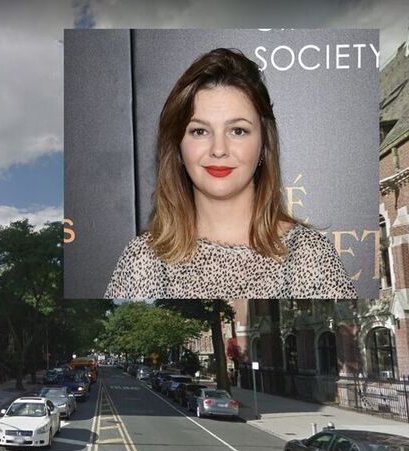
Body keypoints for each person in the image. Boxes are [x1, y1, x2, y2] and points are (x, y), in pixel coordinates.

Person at [105, 48, 357, 300]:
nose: (218, 149)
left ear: (263, 145)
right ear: (178, 147)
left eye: (237, 131)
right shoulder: (143, 260)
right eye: (200, 131)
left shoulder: (309, 255)